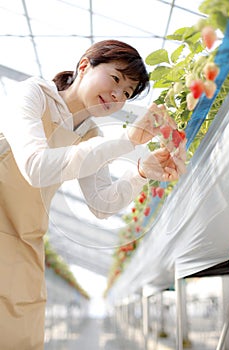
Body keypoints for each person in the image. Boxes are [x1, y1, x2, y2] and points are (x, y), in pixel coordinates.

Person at [0, 39, 186, 349]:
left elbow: (102, 203)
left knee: (22, 335)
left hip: (25, 238)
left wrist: (140, 172)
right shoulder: (33, 94)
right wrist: (127, 140)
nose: (117, 95)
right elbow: (35, 166)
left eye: (127, 93)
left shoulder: (90, 134)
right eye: (115, 79)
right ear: (85, 66)